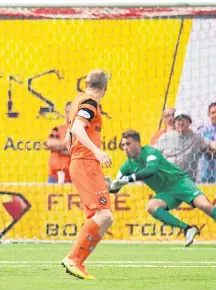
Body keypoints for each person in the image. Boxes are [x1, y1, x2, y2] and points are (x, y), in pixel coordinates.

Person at [108, 129, 216, 246]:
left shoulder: (150, 151)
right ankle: (187, 229)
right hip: (166, 193)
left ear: (138, 143)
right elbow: (116, 186)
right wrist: (110, 187)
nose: (125, 147)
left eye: (128, 144)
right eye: (123, 144)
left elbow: (151, 170)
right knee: (151, 206)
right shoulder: (126, 166)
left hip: (180, 182)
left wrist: (128, 179)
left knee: (204, 205)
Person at [61, 69, 112, 280]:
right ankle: (74, 260)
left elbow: (71, 131)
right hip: (86, 163)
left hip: (83, 163)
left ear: (86, 84)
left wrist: (69, 135)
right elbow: (79, 128)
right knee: (104, 215)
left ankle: (77, 261)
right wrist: (97, 151)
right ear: (106, 88)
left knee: (104, 217)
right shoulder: (90, 103)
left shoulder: (79, 100)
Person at [156, 110, 216, 181]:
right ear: (174, 122)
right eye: (178, 119)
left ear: (190, 122)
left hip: (188, 184)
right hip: (168, 181)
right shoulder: (165, 138)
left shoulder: (197, 138)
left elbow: (211, 145)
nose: (181, 122)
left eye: (184, 119)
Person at [46, 102, 72, 183]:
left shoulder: (81, 131)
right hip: (54, 176)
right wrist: (68, 145)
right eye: (67, 112)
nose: (69, 114)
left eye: (72, 111)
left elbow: (78, 150)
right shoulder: (57, 129)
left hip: (73, 177)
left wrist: (59, 147)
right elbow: (50, 144)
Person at [198, 102, 216, 183]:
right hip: (206, 174)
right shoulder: (203, 130)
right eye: (213, 112)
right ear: (209, 115)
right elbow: (200, 147)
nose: (215, 115)